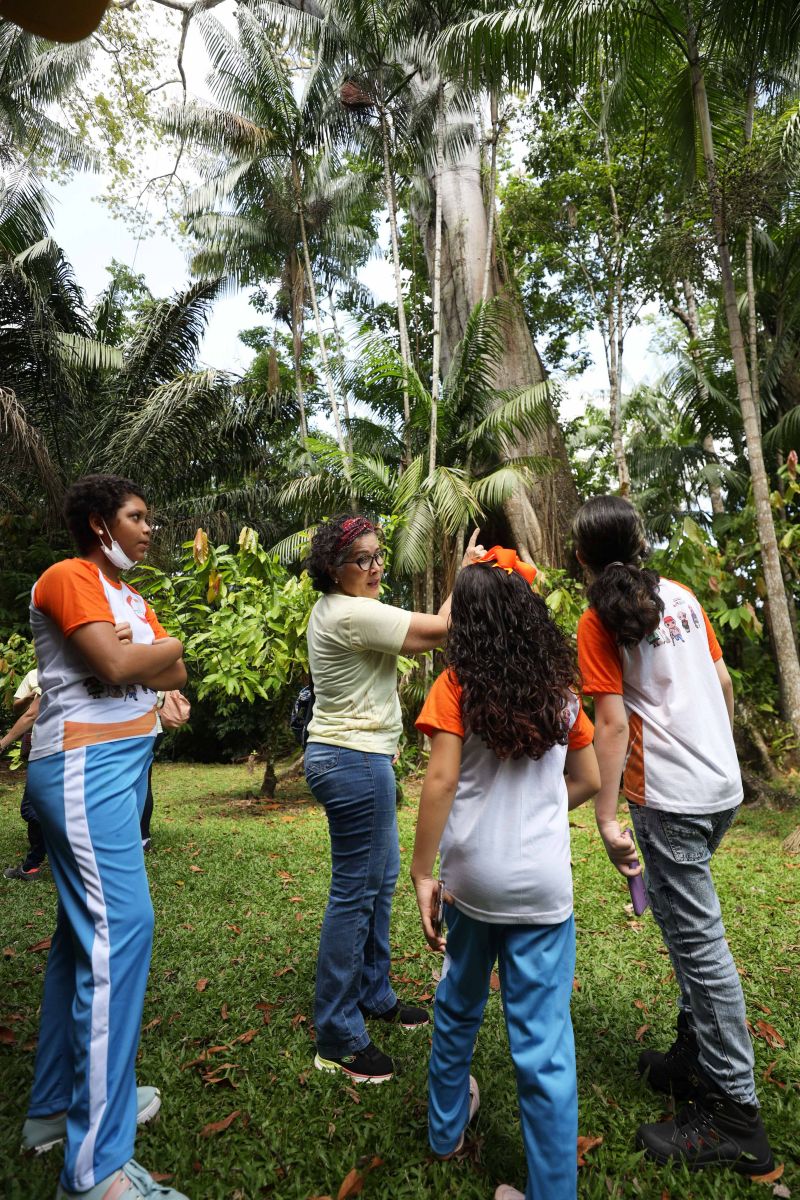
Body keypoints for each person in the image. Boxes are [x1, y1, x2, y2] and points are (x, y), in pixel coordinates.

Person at [573, 494, 775, 1177]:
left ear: (581, 558)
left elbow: (611, 725)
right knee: (692, 937)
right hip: (719, 790)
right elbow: (719, 681)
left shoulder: (597, 620)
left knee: (701, 948)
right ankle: (695, 1057)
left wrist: (603, 816)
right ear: (640, 544)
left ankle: (735, 1117)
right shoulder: (683, 595)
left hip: (667, 800)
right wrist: (727, 768)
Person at [411, 546, 600, 1200]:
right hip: (543, 889)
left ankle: (444, 1133)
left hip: (470, 882)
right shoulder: (562, 695)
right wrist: (546, 809)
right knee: (543, 1046)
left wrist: (420, 871)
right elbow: (590, 780)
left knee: (457, 1005)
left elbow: (439, 780)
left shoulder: (456, 685)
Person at [21, 474, 190, 1200]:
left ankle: (54, 1111)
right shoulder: (68, 577)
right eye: (136, 517)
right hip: (83, 770)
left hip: (119, 770)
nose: (149, 529)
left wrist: (152, 647)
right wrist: (158, 646)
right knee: (123, 932)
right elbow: (126, 665)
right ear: (99, 524)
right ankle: (94, 1173)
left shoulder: (131, 598)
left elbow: (174, 673)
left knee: (77, 935)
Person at [304, 514, 485, 1084]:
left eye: (379, 556)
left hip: (358, 757)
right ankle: (336, 1033)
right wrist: (463, 574)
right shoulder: (349, 611)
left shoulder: (342, 609)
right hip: (352, 759)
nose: (376, 566)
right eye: (362, 559)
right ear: (334, 569)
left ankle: (374, 994)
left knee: (378, 884)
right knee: (355, 894)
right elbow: (438, 629)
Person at [2, 668, 47, 880]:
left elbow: (32, 713)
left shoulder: (55, 672)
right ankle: (33, 865)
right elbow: (20, 707)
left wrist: (3, 742)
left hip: (50, 751)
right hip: (79, 750)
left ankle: (33, 865)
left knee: (32, 808)